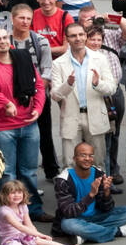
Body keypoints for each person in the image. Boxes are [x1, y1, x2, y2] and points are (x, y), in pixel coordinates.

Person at [0, 25, 48, 220]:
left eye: (4, 37)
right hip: (2, 128)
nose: (2, 41)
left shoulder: (23, 58)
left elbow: (39, 86)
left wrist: (38, 108)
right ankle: (11, 215)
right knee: (7, 174)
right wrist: (6, 103)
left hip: (28, 123)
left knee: (29, 171)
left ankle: (33, 210)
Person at [50, 20, 117, 165]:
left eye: (81, 34)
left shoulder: (100, 59)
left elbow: (112, 88)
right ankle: (72, 188)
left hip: (95, 116)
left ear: (86, 36)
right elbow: (55, 95)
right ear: (67, 39)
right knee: (70, 163)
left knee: (98, 162)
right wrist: (67, 84)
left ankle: (98, 187)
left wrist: (97, 83)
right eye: (73, 36)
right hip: (71, 116)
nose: (78, 38)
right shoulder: (58, 63)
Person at [52, 142, 126, 244]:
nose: (87, 158)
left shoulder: (98, 174)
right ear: (75, 158)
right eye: (83, 155)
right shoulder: (63, 180)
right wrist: (90, 195)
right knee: (68, 225)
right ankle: (118, 232)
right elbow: (69, 212)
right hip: (75, 219)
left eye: (90, 155)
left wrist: (106, 192)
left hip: (96, 216)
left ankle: (86, 235)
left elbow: (107, 208)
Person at [0, 181, 80, 245]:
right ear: (5, 195)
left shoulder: (22, 206)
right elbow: (20, 227)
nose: (17, 195)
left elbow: (29, 224)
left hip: (22, 235)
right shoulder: (5, 211)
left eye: (19, 192)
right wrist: (39, 235)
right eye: (13, 193)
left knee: (39, 241)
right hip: (10, 239)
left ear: (23, 193)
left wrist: (37, 236)